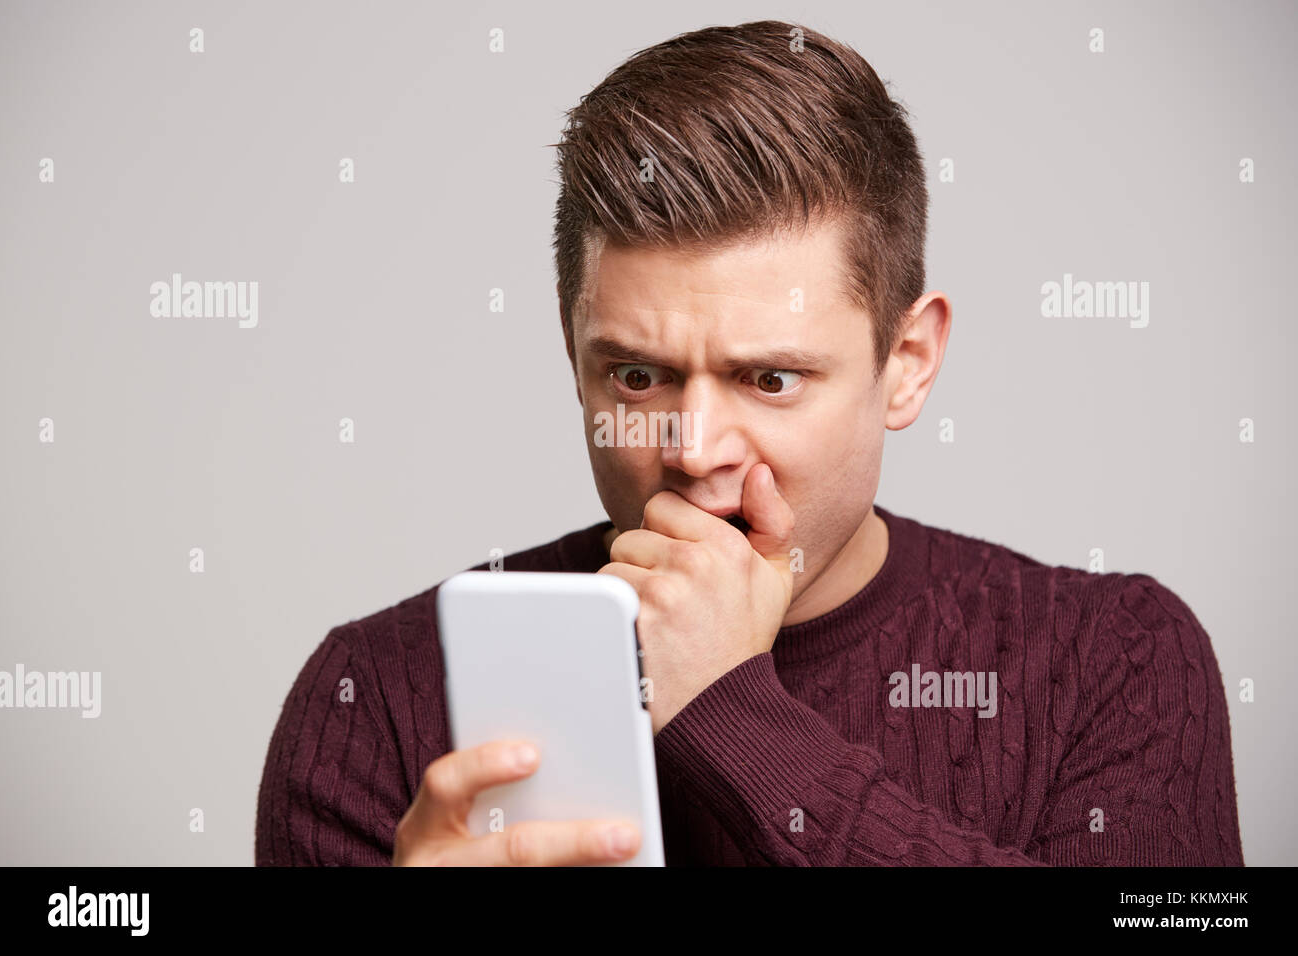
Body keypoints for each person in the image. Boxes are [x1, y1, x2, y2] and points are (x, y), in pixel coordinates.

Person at [255, 20, 1244, 866]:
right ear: (572, 350)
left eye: (768, 378)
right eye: (636, 374)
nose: (693, 450)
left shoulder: (1116, 660)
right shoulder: (376, 698)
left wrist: (728, 711)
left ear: (907, 359)